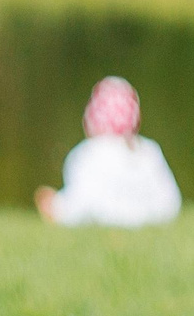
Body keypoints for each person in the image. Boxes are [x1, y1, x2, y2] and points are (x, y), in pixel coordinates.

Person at [34, 76, 182, 228]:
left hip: (103, 220)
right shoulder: (150, 151)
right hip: (149, 221)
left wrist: (54, 205)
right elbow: (170, 203)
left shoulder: (87, 154)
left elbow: (79, 205)